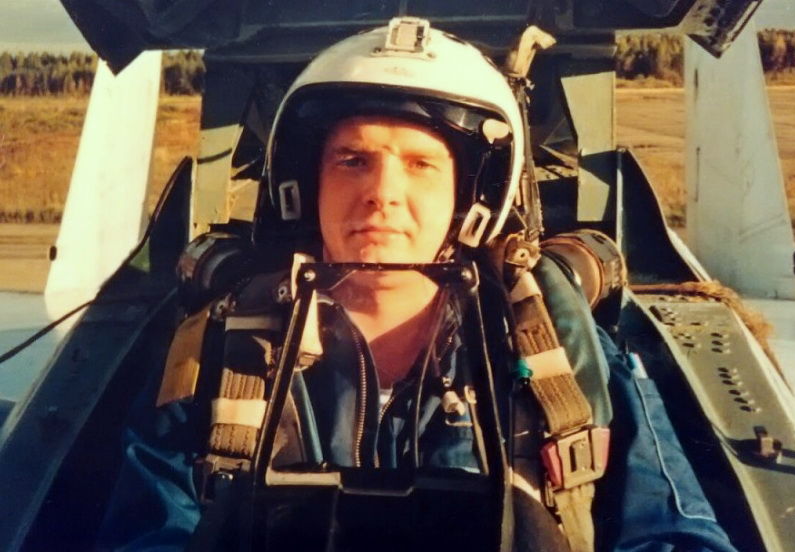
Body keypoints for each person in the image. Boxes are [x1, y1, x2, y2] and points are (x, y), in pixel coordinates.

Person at [98, 17, 738, 552]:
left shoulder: (556, 349)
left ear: (470, 198)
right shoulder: (221, 351)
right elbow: (150, 534)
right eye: (352, 160)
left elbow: (674, 534)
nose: (382, 194)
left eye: (421, 164)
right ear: (306, 187)